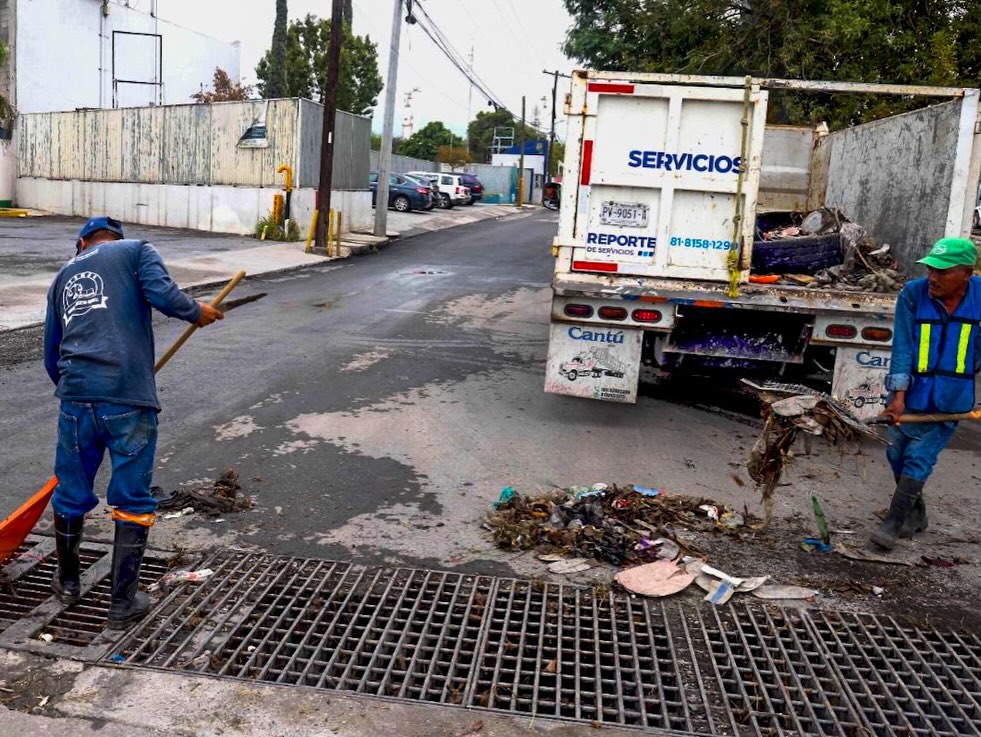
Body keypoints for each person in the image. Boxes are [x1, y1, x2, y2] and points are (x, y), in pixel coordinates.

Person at [43, 216, 224, 628]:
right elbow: (163, 294)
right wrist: (198, 311)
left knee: (71, 493)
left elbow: (51, 351)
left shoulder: (62, 277)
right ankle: (122, 604)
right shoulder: (136, 250)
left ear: (81, 242)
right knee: (132, 497)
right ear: (115, 239)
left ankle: (68, 583)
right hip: (127, 396)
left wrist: (78, 389)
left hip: (75, 397)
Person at [872, 237, 980, 550]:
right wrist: (898, 395)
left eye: (943, 272)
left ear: (967, 274)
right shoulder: (913, 294)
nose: (933, 277)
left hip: (952, 400)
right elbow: (903, 346)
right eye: (931, 269)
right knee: (897, 453)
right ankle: (915, 513)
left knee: (919, 456)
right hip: (912, 394)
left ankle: (892, 523)